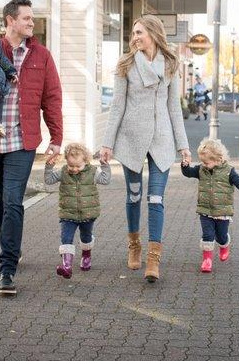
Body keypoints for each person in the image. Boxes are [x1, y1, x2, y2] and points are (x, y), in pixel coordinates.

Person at [0, 0, 63, 296]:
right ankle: (12, 245)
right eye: (26, 18)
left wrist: (56, 138)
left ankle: (7, 267)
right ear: (10, 20)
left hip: (22, 142)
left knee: (13, 202)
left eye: (32, 18)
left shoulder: (41, 56)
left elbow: (52, 98)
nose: (31, 23)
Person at [100, 14, 191, 282]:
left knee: (156, 199)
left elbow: (174, 108)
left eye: (140, 32)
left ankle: (154, 259)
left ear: (153, 33)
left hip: (162, 141)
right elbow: (117, 106)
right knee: (133, 196)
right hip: (131, 139)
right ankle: (134, 245)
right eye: (134, 33)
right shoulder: (126, 65)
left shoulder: (171, 65)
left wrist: (183, 146)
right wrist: (107, 143)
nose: (135, 37)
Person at [180, 139, 239, 273]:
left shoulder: (229, 172)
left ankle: (224, 244)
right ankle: (207, 260)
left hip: (223, 212)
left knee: (221, 236)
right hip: (205, 210)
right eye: (202, 162)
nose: (203, 165)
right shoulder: (201, 170)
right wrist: (185, 165)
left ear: (218, 159)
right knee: (207, 235)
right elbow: (188, 173)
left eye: (206, 162)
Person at [44, 143, 111, 279]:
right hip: (68, 214)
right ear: (66, 162)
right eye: (71, 166)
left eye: (77, 166)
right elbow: (49, 180)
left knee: (86, 238)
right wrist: (49, 166)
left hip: (88, 214)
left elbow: (105, 179)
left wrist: (105, 165)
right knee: (66, 238)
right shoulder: (63, 172)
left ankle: (86, 256)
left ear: (85, 161)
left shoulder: (92, 172)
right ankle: (67, 266)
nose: (74, 169)